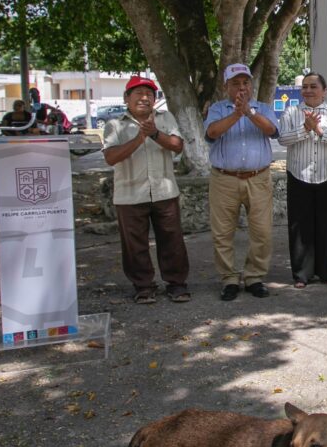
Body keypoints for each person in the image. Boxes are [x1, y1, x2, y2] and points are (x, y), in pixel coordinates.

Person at [103, 77, 191, 304]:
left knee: (172, 240)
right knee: (135, 245)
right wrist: (139, 137)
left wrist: (153, 133)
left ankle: (177, 284)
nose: (144, 98)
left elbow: (177, 145)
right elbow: (111, 157)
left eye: (149, 94)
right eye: (138, 93)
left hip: (164, 191)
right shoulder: (114, 125)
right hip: (129, 195)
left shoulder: (165, 118)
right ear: (126, 98)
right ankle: (143, 287)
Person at [204, 63, 279, 302]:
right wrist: (236, 113)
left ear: (251, 85)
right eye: (235, 83)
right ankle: (229, 279)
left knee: (262, 232)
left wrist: (249, 112)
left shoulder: (263, 108)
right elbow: (212, 133)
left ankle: (254, 277)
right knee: (223, 233)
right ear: (226, 86)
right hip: (224, 179)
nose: (242, 87)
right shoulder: (217, 109)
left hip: (258, 178)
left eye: (245, 82)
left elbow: (271, 131)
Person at [278, 72, 327, 288]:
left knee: (326, 224)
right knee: (300, 226)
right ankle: (302, 274)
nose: (308, 90)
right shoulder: (291, 111)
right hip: (298, 173)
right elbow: (283, 138)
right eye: (305, 87)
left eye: (313, 86)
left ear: (324, 91)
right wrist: (304, 128)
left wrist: (319, 130)